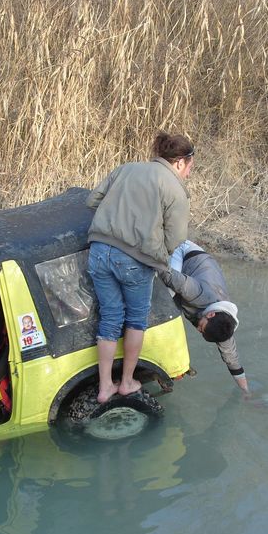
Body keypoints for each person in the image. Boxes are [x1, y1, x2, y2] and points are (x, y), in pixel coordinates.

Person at [86, 131, 193, 403]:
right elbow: (177, 237)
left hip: (98, 251)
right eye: (190, 165)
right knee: (136, 320)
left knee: (110, 317)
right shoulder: (175, 188)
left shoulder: (126, 168)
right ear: (180, 162)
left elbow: (92, 201)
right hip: (133, 261)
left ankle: (104, 387)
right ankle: (126, 382)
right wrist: (158, 252)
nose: (189, 171)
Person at [159, 239, 249, 394]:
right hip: (183, 250)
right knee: (168, 294)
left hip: (203, 267)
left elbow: (232, 360)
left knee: (173, 311)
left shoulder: (224, 325)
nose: (199, 330)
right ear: (211, 314)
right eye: (201, 328)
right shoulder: (198, 293)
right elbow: (168, 274)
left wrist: (246, 392)